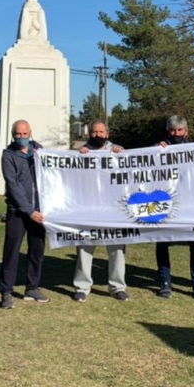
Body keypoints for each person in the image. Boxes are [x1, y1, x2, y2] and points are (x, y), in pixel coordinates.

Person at [155, 115, 194, 301]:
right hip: (167, 202)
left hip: (191, 203)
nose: (176, 133)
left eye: (180, 130)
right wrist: (154, 152)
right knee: (162, 241)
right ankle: (164, 282)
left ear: (186, 132)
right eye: (172, 130)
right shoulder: (159, 149)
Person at [73, 120, 128, 302]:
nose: (97, 135)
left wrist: (121, 155)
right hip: (88, 208)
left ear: (107, 133)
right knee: (85, 248)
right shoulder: (81, 152)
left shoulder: (118, 151)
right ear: (90, 134)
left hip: (113, 209)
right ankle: (82, 287)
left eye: (101, 132)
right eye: (94, 132)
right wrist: (77, 156)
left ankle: (117, 287)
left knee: (117, 249)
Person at [0, 120, 49, 309]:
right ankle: (6, 291)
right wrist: (29, 211)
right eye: (18, 134)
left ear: (30, 133)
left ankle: (32, 287)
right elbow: (13, 186)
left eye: (24, 133)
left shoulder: (39, 150)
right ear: (13, 135)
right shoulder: (8, 155)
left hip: (39, 211)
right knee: (12, 251)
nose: (21, 137)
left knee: (37, 251)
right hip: (19, 212)